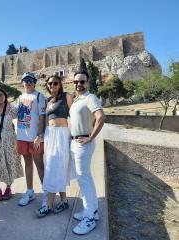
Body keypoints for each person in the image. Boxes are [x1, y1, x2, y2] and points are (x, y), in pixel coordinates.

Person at [69, 70, 105, 235]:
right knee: (86, 179)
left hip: (83, 143)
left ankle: (89, 218)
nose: (79, 84)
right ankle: (92, 211)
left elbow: (101, 117)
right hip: (76, 142)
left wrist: (90, 137)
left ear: (87, 82)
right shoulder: (77, 99)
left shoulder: (90, 98)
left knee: (83, 179)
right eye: (76, 82)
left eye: (82, 82)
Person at [35, 74, 75, 217]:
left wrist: (78, 135)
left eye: (55, 83)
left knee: (54, 167)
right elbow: (45, 121)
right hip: (49, 135)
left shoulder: (67, 96)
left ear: (60, 84)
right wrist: (41, 136)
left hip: (62, 135)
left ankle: (49, 205)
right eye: (50, 83)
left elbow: (75, 115)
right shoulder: (47, 100)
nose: (52, 86)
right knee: (54, 167)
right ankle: (64, 200)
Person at [16, 72, 47, 206]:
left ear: (34, 82)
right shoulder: (21, 97)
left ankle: (46, 193)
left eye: (30, 80)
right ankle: (30, 192)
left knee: (39, 165)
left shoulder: (39, 96)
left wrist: (40, 136)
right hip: (22, 136)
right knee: (27, 164)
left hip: (35, 137)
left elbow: (42, 117)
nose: (28, 82)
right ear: (22, 82)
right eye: (25, 80)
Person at [0, 88, 23, 201]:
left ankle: (8, 187)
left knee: (9, 162)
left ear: (5, 96)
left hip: (10, 140)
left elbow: (20, 113)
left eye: (1, 95)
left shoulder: (10, 107)